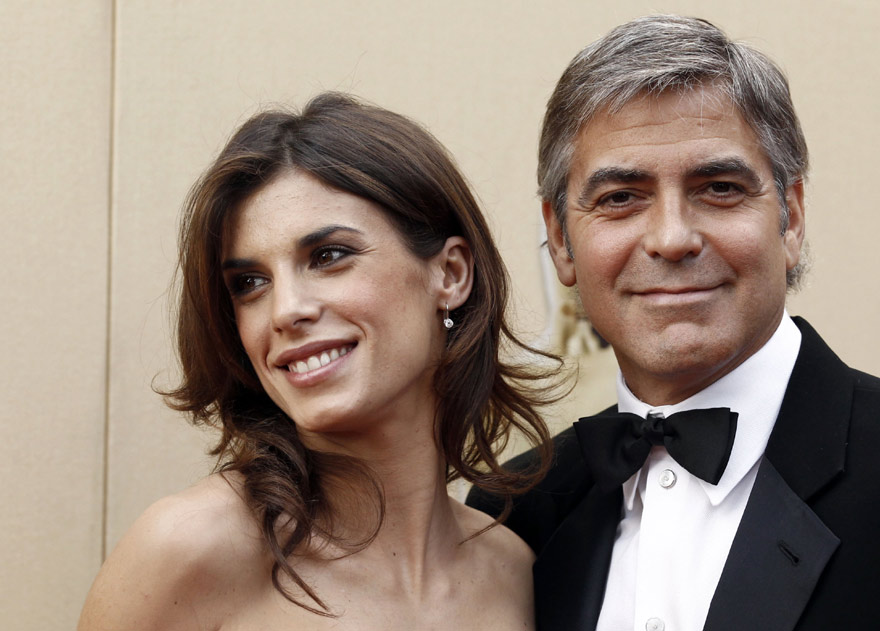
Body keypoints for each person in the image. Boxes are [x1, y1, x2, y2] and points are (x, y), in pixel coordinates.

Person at [467, 14, 880, 631]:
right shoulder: (515, 512)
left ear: (790, 218)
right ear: (560, 240)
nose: (672, 238)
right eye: (620, 198)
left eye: (719, 188)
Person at [78, 92, 560, 630]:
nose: (285, 310)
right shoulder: (189, 549)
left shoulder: (515, 573)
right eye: (250, 283)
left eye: (328, 256)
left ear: (450, 274)